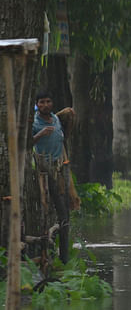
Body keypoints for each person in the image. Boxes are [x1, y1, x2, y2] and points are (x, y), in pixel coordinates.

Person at [31, 91, 73, 263]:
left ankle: (64, 253)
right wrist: (40, 135)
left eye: (48, 101)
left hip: (59, 168)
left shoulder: (55, 119)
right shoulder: (34, 123)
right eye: (42, 102)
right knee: (49, 208)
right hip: (42, 171)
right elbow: (26, 142)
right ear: (37, 104)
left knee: (64, 208)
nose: (45, 105)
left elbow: (66, 117)